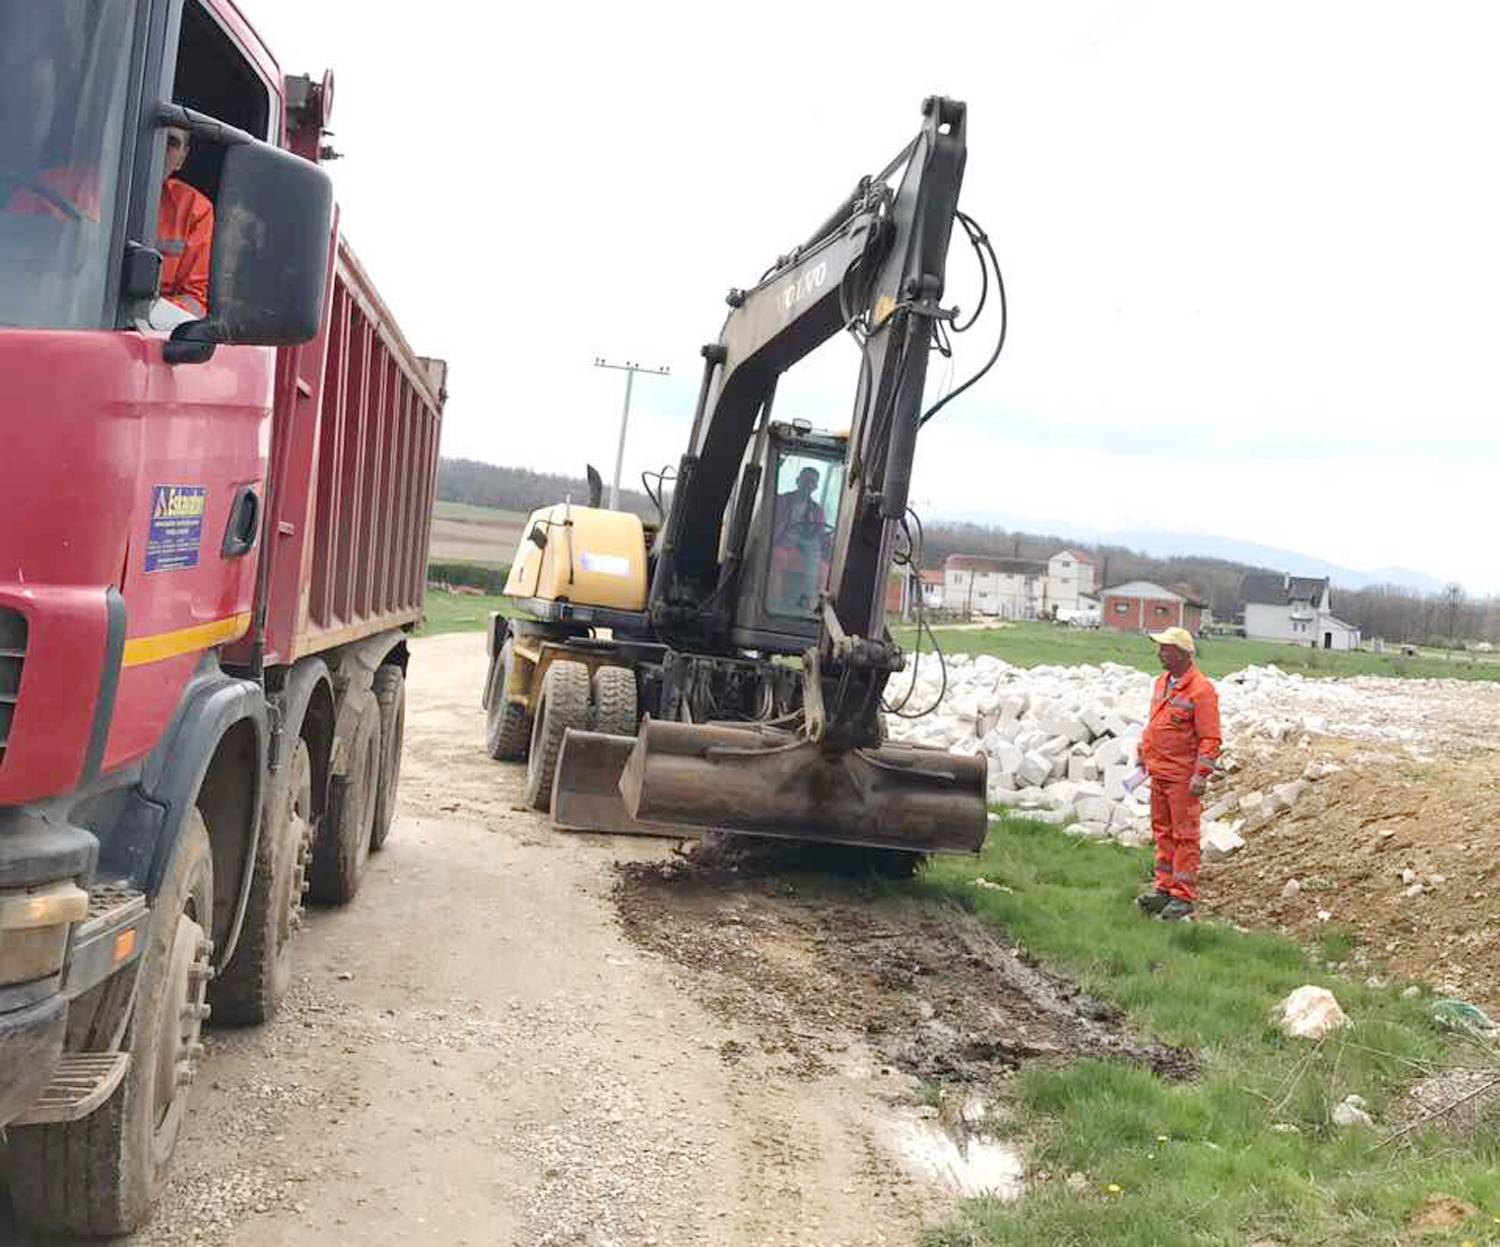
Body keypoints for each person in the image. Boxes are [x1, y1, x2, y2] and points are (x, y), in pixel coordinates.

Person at [1135, 626, 1221, 922]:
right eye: (1160, 647)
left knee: (1185, 835)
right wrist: (1142, 752)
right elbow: (1156, 723)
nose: (1160, 652)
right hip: (1159, 772)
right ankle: (1164, 889)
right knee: (1162, 832)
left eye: (1166, 648)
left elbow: (1210, 738)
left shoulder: (1201, 689)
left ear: (1184, 654)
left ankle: (1183, 896)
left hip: (1182, 777)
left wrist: (1201, 775)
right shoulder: (1162, 683)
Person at [157, 126, 213, 317]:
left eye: (170, 142)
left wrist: (143, 312)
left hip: (148, 334)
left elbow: (195, 302)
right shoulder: (74, 188)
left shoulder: (196, 210)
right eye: (150, 136)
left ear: (182, 158)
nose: (156, 147)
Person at [769, 466, 829, 613]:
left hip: (806, 544)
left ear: (816, 486)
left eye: (812, 482)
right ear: (798, 481)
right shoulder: (781, 500)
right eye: (806, 480)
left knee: (822, 564)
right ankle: (774, 601)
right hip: (782, 539)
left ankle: (809, 600)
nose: (808, 485)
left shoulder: (817, 509)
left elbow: (820, 532)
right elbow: (770, 522)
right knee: (778, 556)